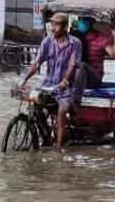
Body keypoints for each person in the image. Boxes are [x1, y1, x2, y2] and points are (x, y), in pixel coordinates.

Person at [17, 13, 82, 154]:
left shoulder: (75, 43)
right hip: (49, 84)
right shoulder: (47, 41)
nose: (53, 28)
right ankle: (46, 137)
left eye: (56, 25)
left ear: (65, 27)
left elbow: (73, 65)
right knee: (36, 106)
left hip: (67, 87)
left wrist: (65, 80)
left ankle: (58, 149)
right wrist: (24, 79)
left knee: (61, 111)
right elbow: (37, 63)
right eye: (52, 24)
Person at [70, 16, 115, 104]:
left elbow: (114, 55)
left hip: (94, 78)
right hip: (74, 77)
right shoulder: (76, 37)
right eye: (80, 20)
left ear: (90, 23)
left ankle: (75, 102)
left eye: (84, 21)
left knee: (82, 65)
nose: (81, 23)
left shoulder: (102, 38)